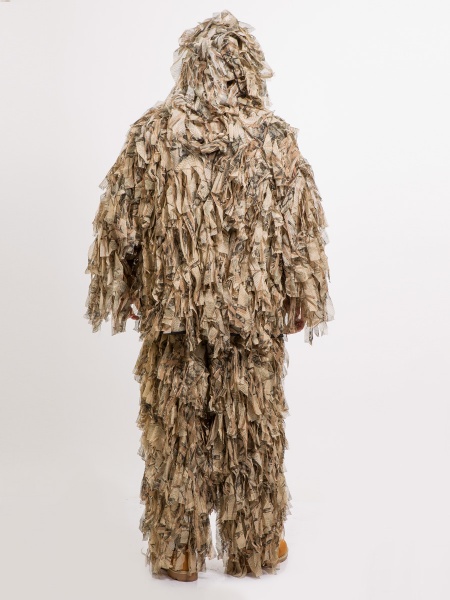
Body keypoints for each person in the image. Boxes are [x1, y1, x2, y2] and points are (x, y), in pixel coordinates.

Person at [84, 9, 334, 582]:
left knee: (177, 424)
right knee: (251, 422)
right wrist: (300, 294)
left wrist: (123, 285)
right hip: (249, 317)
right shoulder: (274, 139)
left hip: (176, 313)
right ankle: (256, 544)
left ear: (190, 67)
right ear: (249, 69)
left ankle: (179, 549)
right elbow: (301, 229)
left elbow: (117, 219)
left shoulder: (152, 133)